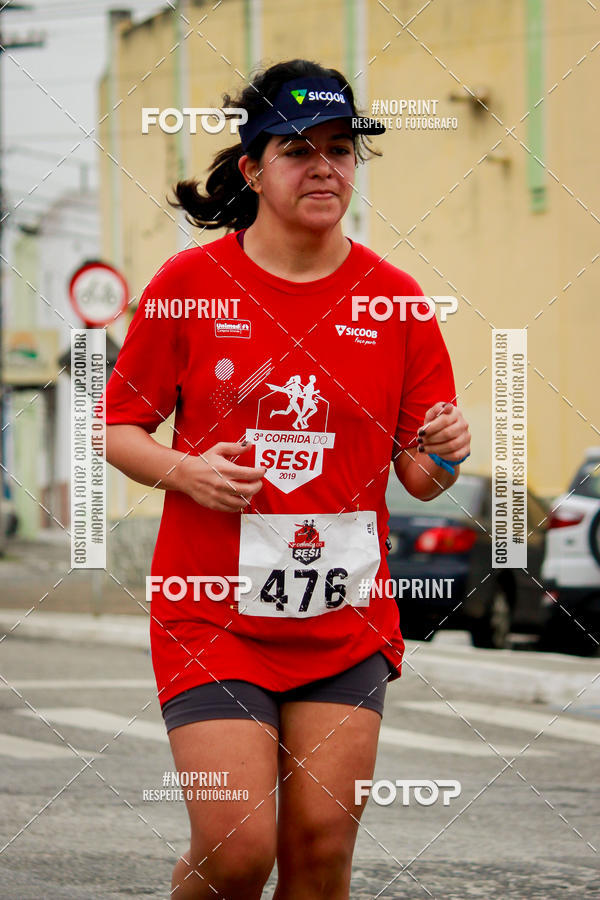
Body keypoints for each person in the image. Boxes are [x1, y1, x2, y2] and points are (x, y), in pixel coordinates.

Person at [105, 58, 470, 900]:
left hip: (342, 623)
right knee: (237, 849)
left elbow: (419, 476)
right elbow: (120, 427)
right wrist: (185, 471)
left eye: (341, 150)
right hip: (214, 617)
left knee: (317, 853)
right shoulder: (190, 288)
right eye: (299, 149)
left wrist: (444, 446)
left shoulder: (397, 302)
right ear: (253, 169)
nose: (325, 168)